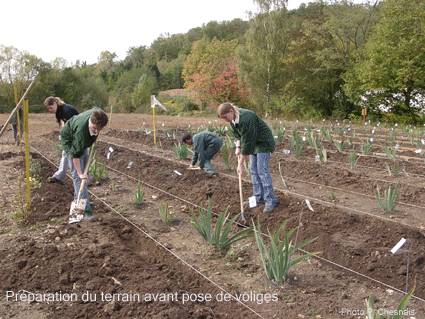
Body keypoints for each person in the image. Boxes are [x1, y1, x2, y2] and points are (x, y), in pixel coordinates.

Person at [217, 102, 279, 213]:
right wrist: (237, 147)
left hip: (263, 143)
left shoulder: (247, 118)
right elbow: (238, 135)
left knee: (262, 171)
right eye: (223, 118)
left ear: (231, 111)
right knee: (253, 170)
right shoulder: (232, 120)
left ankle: (271, 200)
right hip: (254, 143)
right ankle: (258, 197)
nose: (225, 120)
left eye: (225, 117)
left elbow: (248, 145)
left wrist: (240, 164)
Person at [61, 107, 108, 220]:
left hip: (80, 139)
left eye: (100, 128)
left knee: (84, 174)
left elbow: (97, 114)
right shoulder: (81, 134)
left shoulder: (97, 114)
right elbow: (75, 156)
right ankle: (84, 211)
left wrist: (95, 134)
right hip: (70, 141)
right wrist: (80, 173)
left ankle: (81, 200)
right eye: (97, 128)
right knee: (79, 178)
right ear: (92, 123)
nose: (99, 131)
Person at [44, 96, 79, 184]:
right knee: (65, 154)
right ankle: (59, 176)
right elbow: (62, 124)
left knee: (75, 157)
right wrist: (62, 134)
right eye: (48, 108)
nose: (50, 110)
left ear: (55, 103)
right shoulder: (58, 112)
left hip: (77, 134)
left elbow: (74, 126)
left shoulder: (67, 111)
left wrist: (67, 137)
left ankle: (84, 178)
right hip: (69, 135)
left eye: (50, 107)